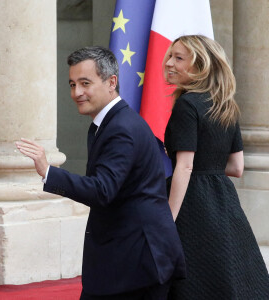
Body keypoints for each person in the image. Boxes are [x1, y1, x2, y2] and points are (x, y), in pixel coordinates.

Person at [16, 46, 186, 300]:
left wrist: (48, 171)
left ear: (111, 82)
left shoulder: (121, 128)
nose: (77, 93)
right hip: (127, 261)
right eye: (72, 84)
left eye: (85, 83)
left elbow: (102, 190)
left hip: (138, 264)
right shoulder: (108, 123)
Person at [163, 35, 269, 299]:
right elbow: (237, 167)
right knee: (229, 276)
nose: (168, 63)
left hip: (191, 204)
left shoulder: (187, 105)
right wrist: (209, 167)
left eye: (178, 58)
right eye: (169, 56)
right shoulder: (226, 105)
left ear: (201, 65)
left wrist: (167, 221)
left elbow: (185, 166)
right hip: (224, 201)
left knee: (194, 283)